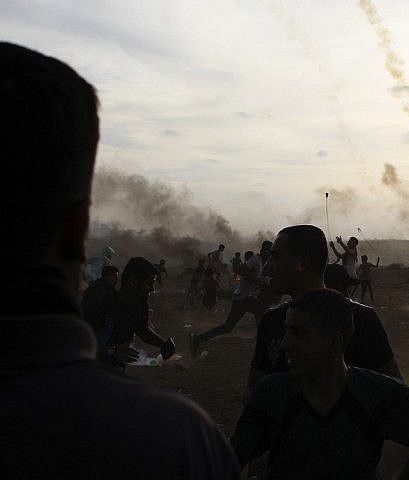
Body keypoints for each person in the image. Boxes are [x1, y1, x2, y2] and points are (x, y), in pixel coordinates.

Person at [0, 42, 238, 479]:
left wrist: (157, 341)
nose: (148, 288)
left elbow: (142, 325)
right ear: (76, 230)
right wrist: (110, 351)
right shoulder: (176, 438)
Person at [231, 289, 409, 479]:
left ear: (334, 342)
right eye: (286, 331)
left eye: (298, 333)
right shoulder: (272, 393)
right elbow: (228, 460)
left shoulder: (378, 394)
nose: (285, 343)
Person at [246, 225, 401, 402]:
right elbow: (253, 392)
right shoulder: (271, 321)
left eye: (275, 257)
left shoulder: (362, 319)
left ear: (302, 264)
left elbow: (395, 393)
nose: (267, 266)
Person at [85, 257, 176, 370]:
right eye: (149, 283)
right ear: (133, 282)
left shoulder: (140, 306)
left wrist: (163, 344)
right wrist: (111, 351)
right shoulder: (104, 305)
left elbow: (142, 329)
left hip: (115, 369)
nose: (152, 289)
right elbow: (83, 338)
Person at [191, 246, 272, 358]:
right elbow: (239, 269)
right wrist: (257, 280)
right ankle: (265, 349)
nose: (271, 256)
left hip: (243, 298)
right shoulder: (255, 259)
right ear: (265, 251)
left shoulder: (261, 263)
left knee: (228, 327)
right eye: (270, 253)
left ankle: (198, 338)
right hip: (244, 297)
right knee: (262, 314)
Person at [324, 263, 402, 379]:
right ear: (341, 287)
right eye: (346, 287)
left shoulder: (302, 315)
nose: (348, 293)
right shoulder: (363, 316)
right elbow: (390, 371)